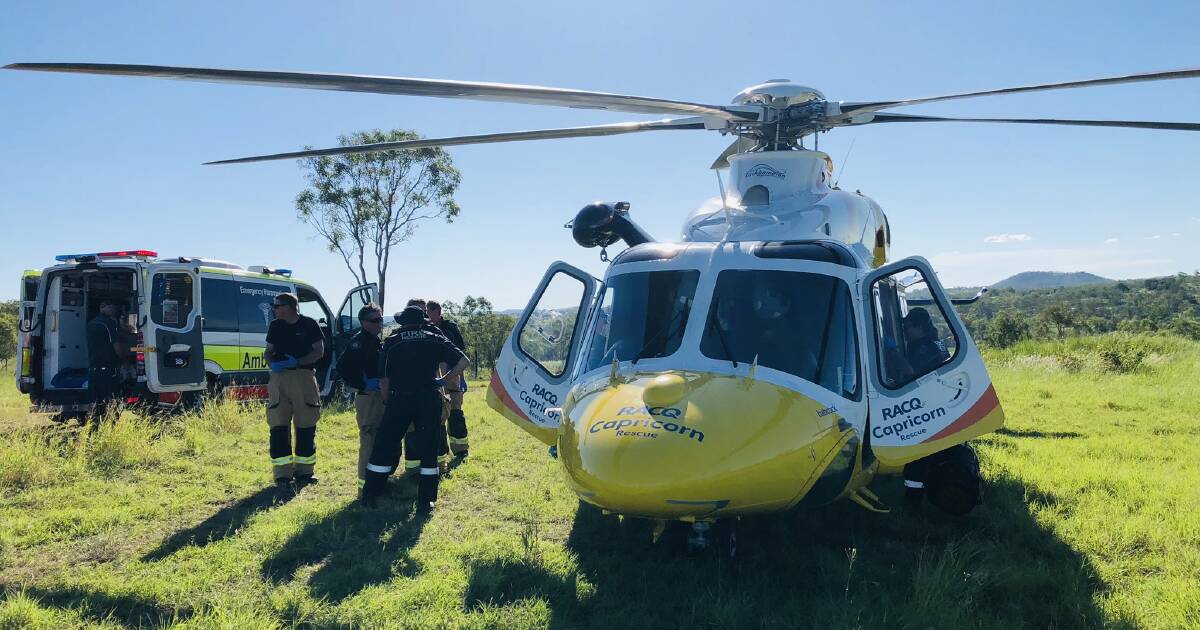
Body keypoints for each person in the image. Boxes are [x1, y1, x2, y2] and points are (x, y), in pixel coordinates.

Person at [362, 306, 470, 513]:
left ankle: (371, 495)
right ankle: (426, 502)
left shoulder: (392, 342)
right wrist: (443, 380)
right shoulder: (434, 337)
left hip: (399, 399)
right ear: (423, 321)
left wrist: (387, 401)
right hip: (428, 399)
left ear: (403, 322)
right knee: (429, 449)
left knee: (384, 446)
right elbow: (463, 361)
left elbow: (384, 380)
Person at [263, 292, 325, 491]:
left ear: (289, 306)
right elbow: (268, 351)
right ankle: (282, 475)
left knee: (306, 425)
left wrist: (298, 361)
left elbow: (319, 351)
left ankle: (305, 472)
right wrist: (273, 363)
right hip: (279, 379)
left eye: (277, 305)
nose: (274, 308)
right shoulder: (275, 326)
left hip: (303, 377)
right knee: (278, 426)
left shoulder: (309, 324)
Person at [899, 307, 952, 509]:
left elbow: (910, 371)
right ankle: (935, 495)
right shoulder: (936, 342)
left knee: (918, 459)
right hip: (941, 404)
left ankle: (913, 504)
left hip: (927, 406)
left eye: (907, 328)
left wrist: (892, 352)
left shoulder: (923, 347)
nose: (905, 332)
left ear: (919, 327)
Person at [335, 302, 386, 490]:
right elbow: (343, 367)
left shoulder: (375, 341)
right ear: (363, 322)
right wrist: (363, 383)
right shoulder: (359, 342)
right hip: (368, 397)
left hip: (380, 396)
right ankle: (365, 486)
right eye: (374, 320)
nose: (379, 323)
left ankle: (379, 482)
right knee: (369, 439)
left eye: (380, 319)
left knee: (380, 439)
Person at [427, 300, 470, 458]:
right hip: (435, 374)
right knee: (439, 413)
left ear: (438, 312)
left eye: (431, 313)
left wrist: (462, 378)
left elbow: (460, 354)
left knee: (456, 409)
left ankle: (461, 449)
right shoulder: (426, 329)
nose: (429, 317)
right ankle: (441, 453)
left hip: (452, 374)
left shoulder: (450, 327)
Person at [85, 300, 124, 420]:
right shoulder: (108, 324)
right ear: (103, 307)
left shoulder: (90, 324)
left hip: (93, 369)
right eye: (112, 308)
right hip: (107, 369)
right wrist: (124, 360)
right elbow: (116, 346)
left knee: (95, 401)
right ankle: (111, 424)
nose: (113, 311)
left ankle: (94, 426)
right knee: (110, 398)